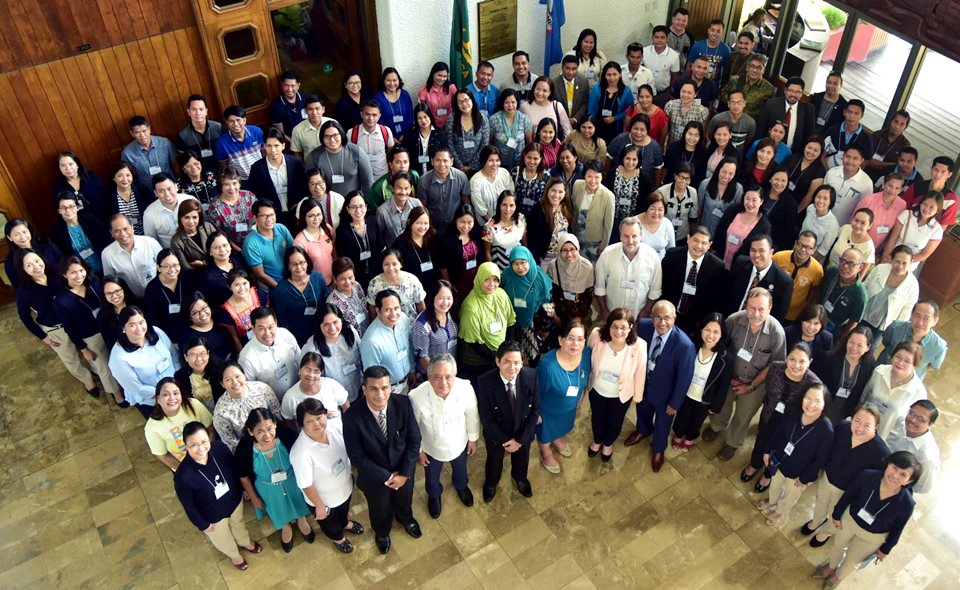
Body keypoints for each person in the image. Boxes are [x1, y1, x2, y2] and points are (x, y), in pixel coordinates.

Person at [342, 365, 423, 555]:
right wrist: (387, 476)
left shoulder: (403, 403)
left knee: (405, 498)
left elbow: (414, 440)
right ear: (364, 390)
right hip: (374, 477)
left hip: (403, 471)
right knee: (379, 508)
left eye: (384, 388)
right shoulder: (352, 417)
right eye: (374, 388)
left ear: (390, 388)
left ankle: (406, 519)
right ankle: (382, 533)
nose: (380, 394)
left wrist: (404, 473)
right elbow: (357, 457)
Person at [813, 452, 920, 588]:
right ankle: (831, 566)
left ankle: (838, 577)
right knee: (837, 545)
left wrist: (885, 550)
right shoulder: (867, 475)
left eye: (903, 475)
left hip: (873, 536)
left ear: (909, 481)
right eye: (894, 468)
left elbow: (898, 528)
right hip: (850, 520)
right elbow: (848, 495)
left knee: (852, 559)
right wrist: (836, 514)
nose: (895, 475)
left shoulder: (907, 503)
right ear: (888, 464)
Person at [703, 288, 786, 461]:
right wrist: (728, 377)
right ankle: (716, 427)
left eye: (761, 309)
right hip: (729, 377)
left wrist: (751, 385)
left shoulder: (777, 333)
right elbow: (721, 349)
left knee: (744, 415)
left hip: (756, 384)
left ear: (770, 308)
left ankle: (732, 442)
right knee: (722, 405)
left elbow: (774, 365)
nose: (756, 313)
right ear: (745, 305)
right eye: (751, 307)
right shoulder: (733, 321)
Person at [173, 422, 261, 571]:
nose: (201, 448)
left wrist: (243, 489)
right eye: (194, 445)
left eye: (203, 442)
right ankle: (234, 555)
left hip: (234, 500)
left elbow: (234, 469)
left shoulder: (219, 448)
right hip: (212, 515)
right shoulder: (183, 475)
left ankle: (244, 541)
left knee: (238, 523)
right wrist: (203, 524)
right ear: (186, 446)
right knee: (222, 537)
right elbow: (188, 505)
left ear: (209, 438)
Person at [15, 251, 101, 399]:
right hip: (56, 329)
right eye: (29, 265)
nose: (36, 266)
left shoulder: (57, 271)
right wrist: (43, 336)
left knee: (89, 349)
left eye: (37, 260)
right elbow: (25, 317)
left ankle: (96, 370)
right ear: (23, 270)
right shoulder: (24, 292)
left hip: (77, 321)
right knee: (70, 358)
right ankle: (87, 381)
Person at [802, 406, 891, 548]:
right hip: (827, 478)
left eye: (867, 425)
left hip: (846, 491)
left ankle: (826, 532)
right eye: (857, 421)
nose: (859, 428)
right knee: (821, 501)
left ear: (876, 427)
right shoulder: (842, 428)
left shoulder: (881, 453)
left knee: (836, 513)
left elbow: (874, 482)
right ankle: (816, 521)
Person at [623, 300, 695, 471]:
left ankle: (658, 449)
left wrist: (675, 403)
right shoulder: (644, 326)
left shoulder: (685, 346)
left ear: (674, 319)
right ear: (652, 317)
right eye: (658, 317)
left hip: (666, 395)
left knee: (663, 423)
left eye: (667, 318)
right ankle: (643, 430)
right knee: (642, 411)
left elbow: (684, 378)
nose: (662, 323)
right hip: (643, 384)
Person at [742, 342, 822, 492]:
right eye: (792, 359)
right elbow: (768, 391)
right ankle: (754, 464)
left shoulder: (813, 384)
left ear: (810, 362)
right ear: (786, 358)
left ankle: (767, 475)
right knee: (761, 441)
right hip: (769, 415)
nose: (796, 365)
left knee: (779, 450)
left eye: (802, 361)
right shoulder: (775, 368)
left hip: (791, 425)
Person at [290, 398, 365, 555]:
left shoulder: (335, 426)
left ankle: (345, 523)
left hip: (344, 485)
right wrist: (319, 506)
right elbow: (306, 484)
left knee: (343, 511)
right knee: (330, 524)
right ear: (301, 424)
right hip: (323, 501)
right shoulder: (300, 452)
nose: (317, 423)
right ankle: (339, 539)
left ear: (326, 414)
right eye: (309, 421)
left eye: (319, 417)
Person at [234, 407, 313, 553]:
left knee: (298, 501)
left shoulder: (288, 436)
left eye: (270, 428)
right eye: (260, 431)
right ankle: (285, 526)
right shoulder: (244, 449)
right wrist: (253, 497)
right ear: (251, 432)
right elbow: (243, 476)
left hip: (292, 481)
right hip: (267, 488)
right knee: (277, 508)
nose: (266, 435)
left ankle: (302, 519)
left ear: (275, 424)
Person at [409, 354, 479, 517]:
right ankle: (434, 495)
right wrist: (419, 450)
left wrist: (473, 438)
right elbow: (414, 427)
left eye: (448, 377)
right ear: (429, 376)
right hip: (431, 447)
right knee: (432, 476)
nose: (443, 383)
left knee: (461, 469)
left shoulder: (465, 388)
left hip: (460, 443)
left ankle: (461, 486)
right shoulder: (416, 396)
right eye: (437, 377)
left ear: (455, 375)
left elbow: (472, 413)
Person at [758, 384, 834, 526]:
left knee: (790, 496)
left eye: (817, 401)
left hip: (798, 475)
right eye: (808, 398)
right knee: (774, 485)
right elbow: (778, 432)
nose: (811, 405)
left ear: (825, 404)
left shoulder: (826, 431)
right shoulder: (793, 413)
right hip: (779, 462)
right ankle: (771, 501)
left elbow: (820, 460)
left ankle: (779, 512)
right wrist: (768, 450)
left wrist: (805, 478)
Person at [54, 256, 123, 403]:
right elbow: (69, 329)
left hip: (110, 328)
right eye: (73, 273)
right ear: (64, 274)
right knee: (103, 367)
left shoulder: (95, 283)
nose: (79, 275)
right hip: (91, 337)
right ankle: (116, 395)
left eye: (81, 270)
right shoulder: (61, 300)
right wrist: (83, 349)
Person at [477, 341, 539, 501]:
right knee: (494, 460)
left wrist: (519, 440)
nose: (512, 367)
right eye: (507, 362)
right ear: (498, 361)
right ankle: (491, 482)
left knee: (522, 458)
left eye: (517, 362)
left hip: (522, 432)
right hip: (497, 434)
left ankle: (520, 478)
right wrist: (505, 441)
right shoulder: (484, 381)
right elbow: (486, 417)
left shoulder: (531, 376)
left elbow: (534, 411)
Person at [585, 308, 647, 461]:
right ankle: (597, 440)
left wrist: (638, 396)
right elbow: (586, 358)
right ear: (608, 325)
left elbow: (640, 372)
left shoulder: (639, 345)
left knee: (615, 420)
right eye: (614, 326)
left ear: (631, 327)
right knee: (597, 417)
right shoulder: (597, 336)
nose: (618, 331)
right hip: (597, 390)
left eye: (623, 327)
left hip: (621, 394)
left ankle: (608, 443)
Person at [671, 312, 733, 451]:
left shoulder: (726, 358)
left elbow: (724, 385)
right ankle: (679, 434)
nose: (710, 335)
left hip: (705, 398)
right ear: (701, 330)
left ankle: (691, 437)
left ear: (722, 334)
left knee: (697, 420)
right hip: (687, 393)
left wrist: (716, 406)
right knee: (682, 416)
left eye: (716, 332)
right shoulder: (691, 346)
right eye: (707, 330)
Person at [535, 319, 590, 474]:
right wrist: (536, 412)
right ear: (560, 340)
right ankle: (545, 452)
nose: (575, 344)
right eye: (570, 338)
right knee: (545, 433)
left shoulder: (586, 354)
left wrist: (582, 393)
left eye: (580, 339)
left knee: (561, 427)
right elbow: (535, 390)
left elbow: (584, 377)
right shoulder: (547, 366)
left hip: (569, 408)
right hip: (548, 411)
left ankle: (556, 438)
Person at [108, 305, 180, 417]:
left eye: (141, 322)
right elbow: (137, 389)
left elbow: (174, 355)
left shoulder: (156, 332)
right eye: (132, 325)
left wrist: (178, 382)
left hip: (178, 387)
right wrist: (167, 395)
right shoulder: (118, 358)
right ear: (123, 328)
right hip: (152, 401)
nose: (139, 328)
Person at [594, 216, 663, 320]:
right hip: (612, 315)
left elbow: (655, 291)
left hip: (639, 317)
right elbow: (600, 288)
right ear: (620, 236)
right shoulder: (607, 254)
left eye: (634, 236)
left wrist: (645, 312)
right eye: (626, 236)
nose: (630, 241)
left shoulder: (652, 257)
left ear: (641, 235)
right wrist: (604, 311)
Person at [458, 263, 516, 383]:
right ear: (479, 279)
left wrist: (507, 348)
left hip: (498, 355)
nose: (492, 285)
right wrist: (498, 357)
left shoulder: (501, 294)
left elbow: (511, 322)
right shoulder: (470, 306)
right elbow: (474, 342)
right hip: (477, 359)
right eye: (486, 280)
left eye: (495, 280)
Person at [660, 226, 725, 333]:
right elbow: (663, 286)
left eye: (704, 243)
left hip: (696, 321)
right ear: (688, 239)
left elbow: (713, 300)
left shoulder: (717, 266)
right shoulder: (672, 256)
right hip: (669, 313)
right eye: (696, 240)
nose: (699, 246)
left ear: (710, 245)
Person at [145, 378, 214, 471]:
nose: (172, 398)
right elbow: (163, 455)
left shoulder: (194, 405)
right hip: (185, 467)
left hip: (209, 456)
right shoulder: (152, 427)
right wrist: (186, 471)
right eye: (165, 394)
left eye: (176, 393)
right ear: (158, 399)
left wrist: (208, 454)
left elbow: (210, 428)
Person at [863, 341, 927, 438]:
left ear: (914, 365)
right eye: (898, 357)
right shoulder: (879, 371)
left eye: (907, 361)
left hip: (887, 438)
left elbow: (913, 424)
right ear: (892, 356)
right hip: (863, 427)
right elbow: (865, 395)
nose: (900, 363)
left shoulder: (919, 392)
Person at [213, 361, 281, 452]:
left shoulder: (262, 389)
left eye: (237, 376)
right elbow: (231, 442)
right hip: (250, 452)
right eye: (228, 380)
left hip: (275, 440)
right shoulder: (220, 412)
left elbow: (277, 413)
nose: (235, 382)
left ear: (244, 375)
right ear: (222, 384)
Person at [247, 128, 308, 227]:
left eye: (276, 145)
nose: (273, 150)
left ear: (283, 146)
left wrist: (300, 203)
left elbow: (305, 186)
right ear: (264, 146)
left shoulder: (296, 163)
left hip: (296, 212)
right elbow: (254, 194)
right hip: (272, 217)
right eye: (269, 146)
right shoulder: (257, 168)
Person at [302, 305, 363, 403]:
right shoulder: (312, 349)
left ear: (341, 320)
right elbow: (311, 382)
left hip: (358, 390)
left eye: (335, 322)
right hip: (334, 401)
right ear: (319, 325)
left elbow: (362, 356)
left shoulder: (350, 332)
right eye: (326, 324)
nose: (332, 328)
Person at [725, 234, 794, 321]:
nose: (757, 255)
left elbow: (778, 317)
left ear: (771, 252)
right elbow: (726, 294)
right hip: (731, 321)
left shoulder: (784, 282)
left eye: (762, 251)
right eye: (753, 250)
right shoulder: (740, 264)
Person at [815, 326, 875, 424]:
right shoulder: (829, 358)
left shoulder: (869, 365)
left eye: (860, 345)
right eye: (851, 342)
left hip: (846, 413)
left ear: (868, 348)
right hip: (824, 406)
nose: (854, 348)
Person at [861, 246, 919, 348]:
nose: (900, 266)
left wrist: (895, 330)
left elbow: (906, 312)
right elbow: (864, 287)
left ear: (911, 263)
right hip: (863, 314)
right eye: (897, 261)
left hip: (881, 326)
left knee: (869, 348)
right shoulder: (880, 269)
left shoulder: (913, 285)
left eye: (904, 263)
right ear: (891, 259)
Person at [501, 246, 551, 363]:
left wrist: (546, 327)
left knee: (533, 354)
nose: (520, 267)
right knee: (514, 354)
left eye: (523, 263)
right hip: (512, 323)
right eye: (516, 263)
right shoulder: (506, 275)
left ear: (529, 260)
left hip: (534, 323)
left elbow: (547, 303)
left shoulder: (538, 277)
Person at [238, 307, 301, 399]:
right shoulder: (246, 358)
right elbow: (250, 390)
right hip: (274, 402)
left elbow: (300, 359)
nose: (267, 333)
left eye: (271, 327)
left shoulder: (285, 334)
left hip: (298, 390)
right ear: (253, 328)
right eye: (261, 329)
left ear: (275, 323)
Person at [360, 290, 415, 394]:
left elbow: (409, 346)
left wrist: (412, 369)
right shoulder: (371, 341)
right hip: (389, 390)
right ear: (378, 311)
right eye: (387, 310)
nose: (393, 314)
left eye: (396, 308)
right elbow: (372, 376)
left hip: (407, 381)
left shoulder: (403, 319)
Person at [273, 246, 330, 345]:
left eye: (302, 262)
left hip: (322, 329)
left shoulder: (317, 278)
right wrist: (290, 342)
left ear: (307, 262)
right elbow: (283, 320)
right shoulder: (281, 289)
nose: (299, 267)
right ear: (288, 266)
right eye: (294, 264)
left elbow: (328, 302)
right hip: (298, 337)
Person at [877, 301, 946, 380]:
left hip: (906, 383)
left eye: (926, 319)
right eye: (917, 316)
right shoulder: (895, 327)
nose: (920, 322)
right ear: (911, 315)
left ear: (935, 321)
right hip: (881, 372)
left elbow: (932, 366)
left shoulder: (939, 347)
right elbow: (886, 342)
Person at [885, 400, 940, 494]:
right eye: (912, 413)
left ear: (930, 424)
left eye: (921, 419)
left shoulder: (928, 457)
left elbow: (923, 488)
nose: (913, 420)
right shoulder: (900, 422)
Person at [101, 214, 163, 298]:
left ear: (132, 227)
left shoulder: (150, 242)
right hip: (132, 299)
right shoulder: (107, 254)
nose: (123, 234)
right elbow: (110, 281)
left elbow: (165, 264)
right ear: (111, 233)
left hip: (159, 292)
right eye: (117, 231)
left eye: (125, 229)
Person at [712, 185, 772, 269]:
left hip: (740, 267)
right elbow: (720, 229)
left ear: (761, 201)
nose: (750, 203)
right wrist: (714, 248)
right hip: (720, 259)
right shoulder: (733, 210)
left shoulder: (764, 226)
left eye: (754, 200)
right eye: (747, 199)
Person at [309, 120, 373, 198]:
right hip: (327, 204)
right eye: (327, 137)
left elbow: (368, 182)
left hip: (354, 205)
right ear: (322, 138)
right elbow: (310, 185)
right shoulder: (314, 156)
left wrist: (366, 203)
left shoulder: (356, 152)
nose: (332, 140)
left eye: (335, 135)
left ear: (341, 134)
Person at [882, 192, 944, 271]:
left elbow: (924, 255)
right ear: (920, 203)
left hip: (909, 265)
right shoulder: (906, 214)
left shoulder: (937, 230)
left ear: (937, 210)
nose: (926, 209)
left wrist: (902, 261)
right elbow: (892, 239)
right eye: (925, 204)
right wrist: (887, 256)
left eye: (931, 207)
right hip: (891, 256)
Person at [50, 192, 109, 274]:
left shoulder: (91, 220)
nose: (68, 210)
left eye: (71, 206)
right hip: (82, 274)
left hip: (106, 264)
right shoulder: (57, 232)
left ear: (77, 207)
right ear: (59, 211)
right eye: (63, 208)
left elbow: (107, 238)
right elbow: (63, 258)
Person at [437, 204, 482, 309]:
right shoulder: (446, 240)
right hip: (457, 282)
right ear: (455, 221)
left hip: (475, 280)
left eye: (469, 222)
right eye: (462, 222)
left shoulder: (477, 234)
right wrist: (449, 285)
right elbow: (443, 266)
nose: (466, 227)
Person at [242, 200, 295, 290]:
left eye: (271, 215)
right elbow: (260, 275)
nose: (269, 219)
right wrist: (281, 289)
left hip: (292, 277)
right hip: (273, 286)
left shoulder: (281, 228)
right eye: (263, 216)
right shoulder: (250, 243)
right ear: (255, 218)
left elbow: (294, 252)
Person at [336, 191, 385, 288]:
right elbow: (343, 259)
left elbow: (380, 247)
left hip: (376, 274)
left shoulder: (372, 221)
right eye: (353, 207)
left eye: (361, 206)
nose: (358, 211)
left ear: (366, 207)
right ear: (347, 209)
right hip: (355, 278)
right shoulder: (342, 231)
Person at [773, 232, 824, 322]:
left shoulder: (817, 270)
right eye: (800, 245)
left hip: (794, 315)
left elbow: (813, 294)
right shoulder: (778, 257)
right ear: (795, 243)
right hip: (771, 306)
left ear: (814, 250)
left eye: (808, 247)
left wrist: (805, 314)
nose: (803, 250)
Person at [755, 77, 815, 153]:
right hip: (768, 153)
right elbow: (760, 130)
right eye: (791, 90)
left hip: (793, 155)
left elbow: (809, 136)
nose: (793, 94)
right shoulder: (771, 104)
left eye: (797, 92)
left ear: (801, 94)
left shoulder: (808, 109)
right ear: (785, 90)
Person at [544, 234, 594, 326]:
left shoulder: (587, 267)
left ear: (578, 249)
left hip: (580, 313)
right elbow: (548, 294)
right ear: (559, 250)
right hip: (558, 313)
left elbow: (588, 296)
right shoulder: (553, 266)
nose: (569, 254)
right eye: (564, 250)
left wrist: (578, 318)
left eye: (572, 249)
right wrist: (553, 315)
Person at [122, 115, 177, 197]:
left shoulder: (165, 143)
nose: (142, 135)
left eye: (144, 131)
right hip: (147, 193)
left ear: (149, 129)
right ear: (132, 133)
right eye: (137, 132)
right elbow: (130, 177)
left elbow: (175, 164)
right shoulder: (127, 153)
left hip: (170, 189)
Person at [412, 280, 458, 376]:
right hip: (433, 375)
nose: (445, 302)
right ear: (433, 298)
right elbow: (423, 357)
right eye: (441, 298)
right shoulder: (421, 324)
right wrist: (439, 377)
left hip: (451, 371)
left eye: (449, 298)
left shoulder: (451, 314)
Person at [365, 249, 426, 321]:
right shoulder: (374, 284)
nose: (391, 268)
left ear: (400, 264)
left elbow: (420, 304)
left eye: (394, 264)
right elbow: (372, 307)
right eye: (386, 264)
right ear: (382, 265)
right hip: (386, 326)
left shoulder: (412, 280)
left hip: (410, 324)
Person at [607, 145, 653, 240]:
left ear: (638, 160)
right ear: (622, 158)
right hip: (613, 219)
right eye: (627, 158)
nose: (630, 162)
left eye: (634, 159)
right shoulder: (612, 173)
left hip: (634, 221)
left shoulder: (645, 178)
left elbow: (647, 201)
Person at [821, 248, 868, 340]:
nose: (845, 266)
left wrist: (838, 344)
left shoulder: (860, 295)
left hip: (834, 331)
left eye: (851, 264)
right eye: (843, 261)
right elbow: (818, 292)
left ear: (860, 267)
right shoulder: (832, 272)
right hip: (817, 319)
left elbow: (852, 323)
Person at [900, 156, 957, 229]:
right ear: (931, 169)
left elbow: (942, 227)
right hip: (905, 228)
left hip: (927, 237)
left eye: (943, 172)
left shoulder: (951, 199)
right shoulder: (917, 186)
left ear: (949, 175)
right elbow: (902, 208)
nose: (938, 174)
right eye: (936, 170)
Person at [4, 219, 63, 290]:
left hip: (61, 284)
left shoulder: (47, 245)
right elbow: (18, 287)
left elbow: (63, 263)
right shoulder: (10, 261)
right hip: (38, 294)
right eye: (16, 234)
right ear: (9, 237)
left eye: (24, 232)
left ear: (29, 231)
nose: (22, 237)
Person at [142, 249, 187, 342]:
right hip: (167, 335)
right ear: (159, 268)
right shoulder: (152, 289)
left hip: (190, 328)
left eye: (175, 265)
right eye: (167, 266)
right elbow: (154, 320)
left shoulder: (188, 279)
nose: (172, 269)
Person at [217, 268, 267, 349]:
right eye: (236, 285)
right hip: (249, 346)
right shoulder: (226, 311)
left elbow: (269, 317)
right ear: (229, 287)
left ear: (249, 283)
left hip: (267, 336)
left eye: (244, 283)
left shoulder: (258, 294)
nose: (242, 288)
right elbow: (235, 338)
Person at [208, 166, 256, 250]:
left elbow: (259, 220)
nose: (232, 188)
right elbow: (220, 235)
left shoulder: (249, 196)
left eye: (234, 183)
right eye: (227, 184)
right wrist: (240, 251)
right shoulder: (215, 207)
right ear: (221, 185)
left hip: (257, 243)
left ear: (239, 183)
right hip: (232, 249)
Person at [823, 146, 873, 226]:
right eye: (847, 156)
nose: (850, 161)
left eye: (855, 158)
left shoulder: (866, 183)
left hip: (843, 228)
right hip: (821, 221)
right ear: (843, 156)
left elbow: (863, 210)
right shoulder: (832, 173)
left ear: (861, 161)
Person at [856, 175, 907, 250]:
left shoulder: (902, 205)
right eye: (890, 186)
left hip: (879, 249)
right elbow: (854, 223)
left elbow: (895, 230)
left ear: (900, 190)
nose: (892, 191)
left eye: (897, 188)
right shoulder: (868, 200)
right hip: (859, 244)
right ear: (884, 184)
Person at [176, 94, 223, 175]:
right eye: (194, 109)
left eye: (201, 109)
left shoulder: (218, 127)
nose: (198, 113)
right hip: (199, 175)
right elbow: (184, 161)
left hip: (222, 170)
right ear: (188, 112)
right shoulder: (182, 135)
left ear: (206, 111)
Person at [175, 336, 227, 410]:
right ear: (185, 357)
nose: (198, 359)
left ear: (208, 354)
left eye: (202, 354)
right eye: (193, 355)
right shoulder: (180, 376)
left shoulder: (220, 369)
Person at [447, 89, 490, 175]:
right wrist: (459, 164)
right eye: (460, 102)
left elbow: (484, 144)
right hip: (457, 167)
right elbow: (450, 143)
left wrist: (472, 166)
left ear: (472, 100)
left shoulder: (482, 118)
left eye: (466, 100)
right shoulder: (452, 118)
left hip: (478, 167)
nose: (464, 104)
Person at [608, 114, 665, 179]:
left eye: (642, 130)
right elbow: (608, 157)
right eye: (635, 128)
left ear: (647, 131)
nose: (638, 132)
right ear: (630, 128)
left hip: (644, 184)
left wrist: (656, 187)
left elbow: (658, 168)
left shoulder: (654, 146)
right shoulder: (620, 139)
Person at [697, 157, 744, 236]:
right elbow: (699, 207)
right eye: (724, 171)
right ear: (719, 169)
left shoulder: (738, 189)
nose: (726, 176)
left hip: (723, 233)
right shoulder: (705, 184)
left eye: (730, 174)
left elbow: (737, 214)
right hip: (704, 230)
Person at [215, 106, 264, 182]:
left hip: (262, 174)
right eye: (231, 121)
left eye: (238, 120)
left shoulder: (256, 132)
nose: (235, 124)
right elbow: (224, 166)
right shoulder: (221, 143)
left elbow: (264, 152)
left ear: (244, 120)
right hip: (241, 181)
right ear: (227, 122)